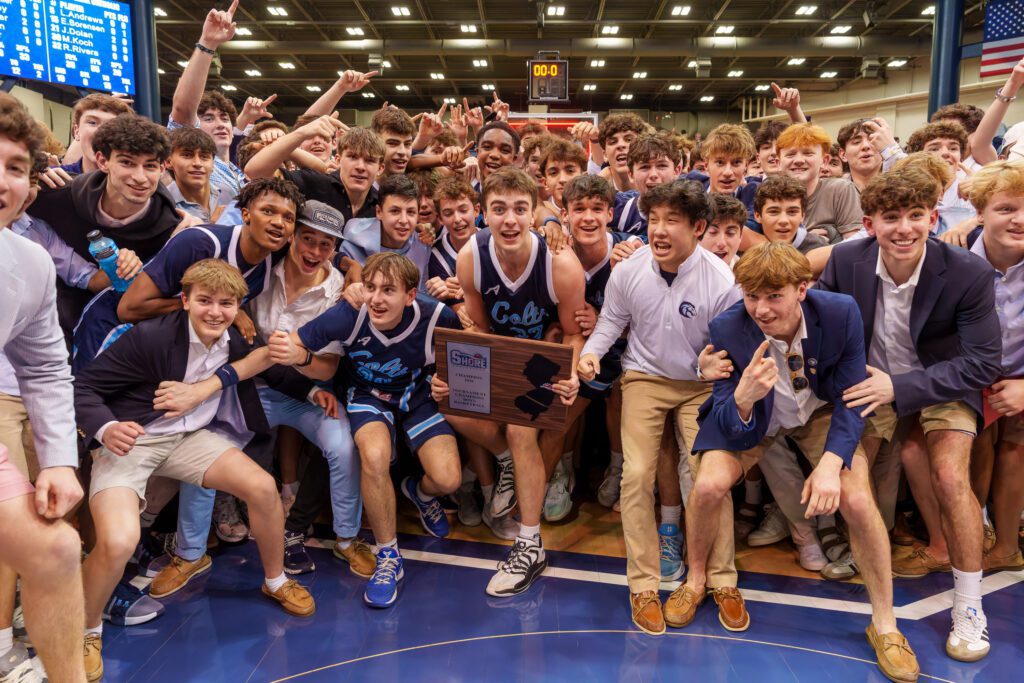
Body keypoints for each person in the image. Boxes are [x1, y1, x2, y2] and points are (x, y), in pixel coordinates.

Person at [74, 259, 319, 681]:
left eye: (226, 303)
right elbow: (83, 386)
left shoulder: (235, 335)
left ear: (238, 307)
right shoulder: (151, 338)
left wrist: (300, 367)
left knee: (262, 487)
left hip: (188, 439)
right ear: (185, 301)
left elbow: (257, 360)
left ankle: (276, 580)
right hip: (136, 439)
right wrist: (107, 426)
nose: (215, 312)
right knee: (119, 540)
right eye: (204, 301)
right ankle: (85, 628)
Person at [688, 242, 920, 683]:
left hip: (822, 411)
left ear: (803, 288)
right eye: (751, 295)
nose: (760, 308)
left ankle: (886, 625)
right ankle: (695, 580)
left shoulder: (839, 312)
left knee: (856, 499)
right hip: (759, 417)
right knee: (707, 486)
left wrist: (832, 464)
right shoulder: (727, 326)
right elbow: (724, 416)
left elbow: (853, 397)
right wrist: (742, 397)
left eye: (774, 295)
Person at [816, 166, 1002, 662]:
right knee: (854, 482)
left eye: (915, 216)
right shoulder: (845, 260)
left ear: (934, 217)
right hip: (867, 383)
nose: (904, 228)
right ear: (869, 223)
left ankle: (969, 604)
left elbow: (982, 363)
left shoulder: (968, 272)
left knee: (949, 476)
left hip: (941, 383)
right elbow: (828, 337)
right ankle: (879, 602)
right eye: (891, 217)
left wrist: (899, 386)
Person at [577, 179, 741, 636]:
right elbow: (611, 322)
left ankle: (719, 578)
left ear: (699, 227)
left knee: (706, 476)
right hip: (644, 378)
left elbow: (731, 347)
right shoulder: (628, 272)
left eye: (672, 220)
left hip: (699, 384)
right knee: (635, 474)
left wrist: (714, 362)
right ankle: (643, 584)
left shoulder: (721, 280)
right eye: (653, 220)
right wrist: (591, 352)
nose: (659, 230)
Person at [267, 252, 462, 608]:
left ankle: (419, 493)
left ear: (410, 294)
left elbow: (465, 359)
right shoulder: (350, 313)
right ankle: (388, 556)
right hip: (367, 396)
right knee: (374, 456)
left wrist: (447, 380)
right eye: (370, 287)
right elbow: (296, 341)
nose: (376, 298)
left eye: (388, 290)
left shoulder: (437, 315)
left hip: (417, 396)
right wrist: (294, 354)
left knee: (448, 480)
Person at [432, 168, 586, 597]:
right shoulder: (470, 257)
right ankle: (503, 463)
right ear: (484, 214)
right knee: (444, 400)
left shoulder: (561, 264)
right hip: (502, 358)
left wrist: (570, 372)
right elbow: (480, 331)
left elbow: (573, 332)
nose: (510, 220)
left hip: (542, 363)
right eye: (499, 209)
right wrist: (459, 375)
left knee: (521, 430)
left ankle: (529, 544)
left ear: (535, 212)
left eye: (520, 209)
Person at [0, 90, 88, 683]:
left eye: (15, 167)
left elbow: (45, 366)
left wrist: (58, 461)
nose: (2, 180)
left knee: (54, 550)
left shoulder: (29, 262)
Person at [27, 114, 184, 332]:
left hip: (116, 334)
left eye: (150, 166)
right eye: (127, 162)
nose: (139, 177)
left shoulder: (172, 231)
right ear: (102, 161)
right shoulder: (56, 195)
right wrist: (28, 173)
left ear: (162, 168)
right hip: (45, 322)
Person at [961, 160, 1024, 573]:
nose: (1020, 220)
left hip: (1019, 375)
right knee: (974, 449)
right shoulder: (957, 260)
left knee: (1015, 451)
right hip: (971, 374)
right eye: (1006, 209)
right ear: (979, 213)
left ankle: (1006, 544)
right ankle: (970, 533)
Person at [246, 122, 382, 228]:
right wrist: (295, 136)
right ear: (338, 160)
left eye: (370, 160)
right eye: (352, 157)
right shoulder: (316, 183)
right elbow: (255, 173)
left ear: (380, 169)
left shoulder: (383, 202)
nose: (360, 167)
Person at [776, 123, 864, 244]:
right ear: (778, 162)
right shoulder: (767, 196)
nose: (799, 161)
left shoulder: (840, 190)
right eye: (790, 154)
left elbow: (855, 245)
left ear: (824, 160)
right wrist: (805, 240)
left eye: (808, 153)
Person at [340, 174, 431, 285]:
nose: (404, 220)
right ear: (379, 212)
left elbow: (421, 292)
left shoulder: (422, 243)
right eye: (395, 211)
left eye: (411, 212)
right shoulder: (353, 244)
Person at [610, 133, 682, 238]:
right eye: (645, 167)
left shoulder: (692, 210)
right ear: (631, 174)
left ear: (677, 171)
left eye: (661, 166)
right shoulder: (620, 208)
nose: (653, 175)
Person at [165, 127, 233, 224]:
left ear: (213, 164)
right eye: (187, 155)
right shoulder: (162, 204)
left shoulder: (227, 193)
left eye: (204, 156)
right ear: (168, 162)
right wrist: (214, 227)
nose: (197, 163)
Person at [754, 175, 829, 255]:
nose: (783, 221)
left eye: (792, 212)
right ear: (758, 216)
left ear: (802, 216)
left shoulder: (819, 248)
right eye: (774, 212)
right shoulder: (742, 246)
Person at [836, 119, 883, 192]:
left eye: (871, 139)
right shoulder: (835, 191)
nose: (866, 146)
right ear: (843, 154)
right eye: (856, 142)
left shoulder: (897, 184)